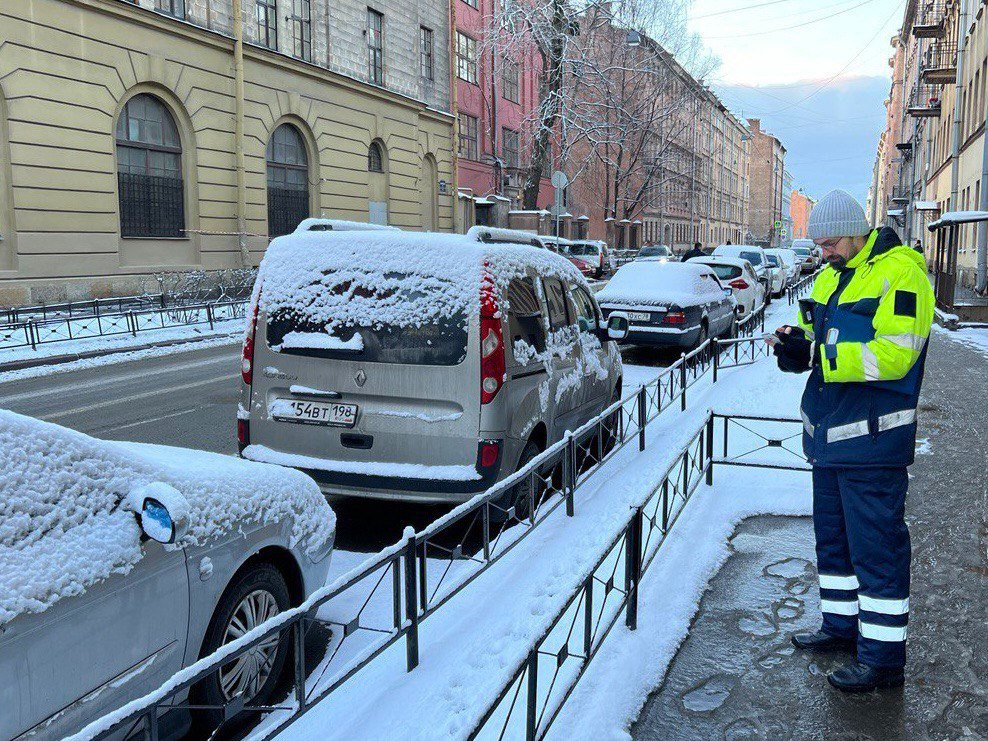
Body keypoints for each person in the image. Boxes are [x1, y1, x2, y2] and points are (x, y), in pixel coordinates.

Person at [768, 189, 934, 693]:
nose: (824, 252)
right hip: (828, 436)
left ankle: (883, 661)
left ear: (859, 231)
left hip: (872, 439)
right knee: (835, 544)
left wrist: (818, 357)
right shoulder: (828, 276)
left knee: (876, 550)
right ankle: (841, 629)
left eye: (832, 242)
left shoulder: (902, 273)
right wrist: (793, 347)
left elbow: (896, 354)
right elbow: (810, 333)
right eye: (819, 245)